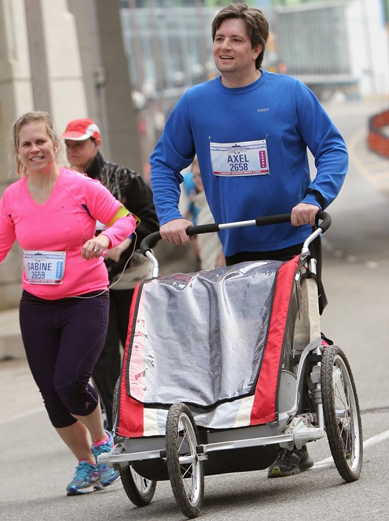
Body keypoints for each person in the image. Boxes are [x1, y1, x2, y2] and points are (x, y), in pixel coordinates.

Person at [149, 3, 348, 479]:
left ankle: (302, 429)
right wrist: (170, 215)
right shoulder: (196, 103)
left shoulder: (290, 93)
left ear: (257, 48)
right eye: (219, 39)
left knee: (295, 340)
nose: (224, 47)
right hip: (236, 243)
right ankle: (253, 426)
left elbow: (332, 149)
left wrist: (315, 195)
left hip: (293, 237)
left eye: (235, 40)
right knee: (246, 347)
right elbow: (163, 164)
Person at [0, 111, 137, 496]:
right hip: (37, 304)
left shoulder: (81, 186)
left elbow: (126, 219)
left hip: (85, 298)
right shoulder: (13, 197)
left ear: (54, 146)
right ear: (18, 152)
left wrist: (104, 241)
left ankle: (102, 441)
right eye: (26, 144)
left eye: (41, 141)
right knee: (51, 394)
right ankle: (86, 465)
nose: (34, 149)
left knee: (69, 381)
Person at [62, 117, 159, 430]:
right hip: (87, 283)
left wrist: (127, 239)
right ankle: (115, 417)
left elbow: (152, 221)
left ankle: (147, 409)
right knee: (100, 355)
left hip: (130, 277)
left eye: (79, 143)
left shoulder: (124, 178)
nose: (72, 149)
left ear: (96, 142)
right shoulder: (60, 184)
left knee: (137, 347)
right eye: (68, 144)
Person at [188, 160, 225, 271]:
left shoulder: (219, 202)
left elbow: (233, 232)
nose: (197, 180)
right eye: (194, 176)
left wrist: (222, 258)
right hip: (210, 269)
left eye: (200, 175)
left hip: (222, 270)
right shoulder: (202, 205)